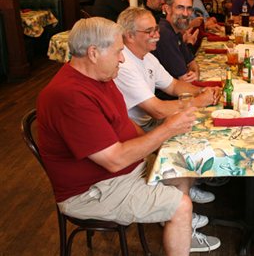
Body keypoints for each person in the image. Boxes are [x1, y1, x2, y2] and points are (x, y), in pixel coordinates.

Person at [36, 17, 199, 256]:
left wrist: (160, 147)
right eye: (118, 52)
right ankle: (177, 221)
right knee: (181, 206)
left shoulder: (101, 77)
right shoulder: (68, 96)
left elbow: (126, 123)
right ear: (93, 53)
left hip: (120, 174)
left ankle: (178, 230)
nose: (122, 59)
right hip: (91, 191)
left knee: (181, 168)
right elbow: (114, 160)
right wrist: (167, 129)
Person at [114, 8, 222, 252]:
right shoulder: (125, 64)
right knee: (183, 148)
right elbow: (158, 110)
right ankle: (178, 216)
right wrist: (198, 101)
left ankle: (185, 196)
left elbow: (173, 85)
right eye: (150, 31)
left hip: (147, 122)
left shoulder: (146, 56)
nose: (157, 35)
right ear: (129, 36)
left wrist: (203, 91)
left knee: (195, 129)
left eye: (156, 29)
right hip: (133, 131)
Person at [153, 0, 201, 83]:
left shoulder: (175, 32)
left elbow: (192, 63)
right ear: (167, 9)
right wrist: (194, 74)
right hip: (166, 95)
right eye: (180, 7)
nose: (185, 13)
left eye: (189, 8)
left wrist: (195, 73)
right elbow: (184, 79)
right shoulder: (164, 34)